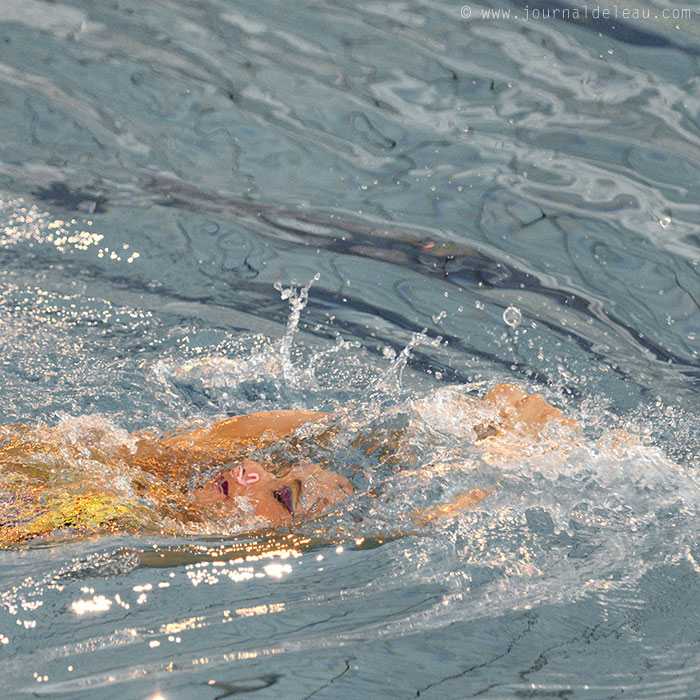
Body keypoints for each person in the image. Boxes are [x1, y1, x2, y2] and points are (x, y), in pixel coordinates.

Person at [0, 383, 574, 543]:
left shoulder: (129, 518)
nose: (255, 472)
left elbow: (416, 523)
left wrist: (495, 480)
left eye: (281, 495)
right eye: (279, 471)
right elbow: (501, 399)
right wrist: (494, 426)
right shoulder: (162, 468)